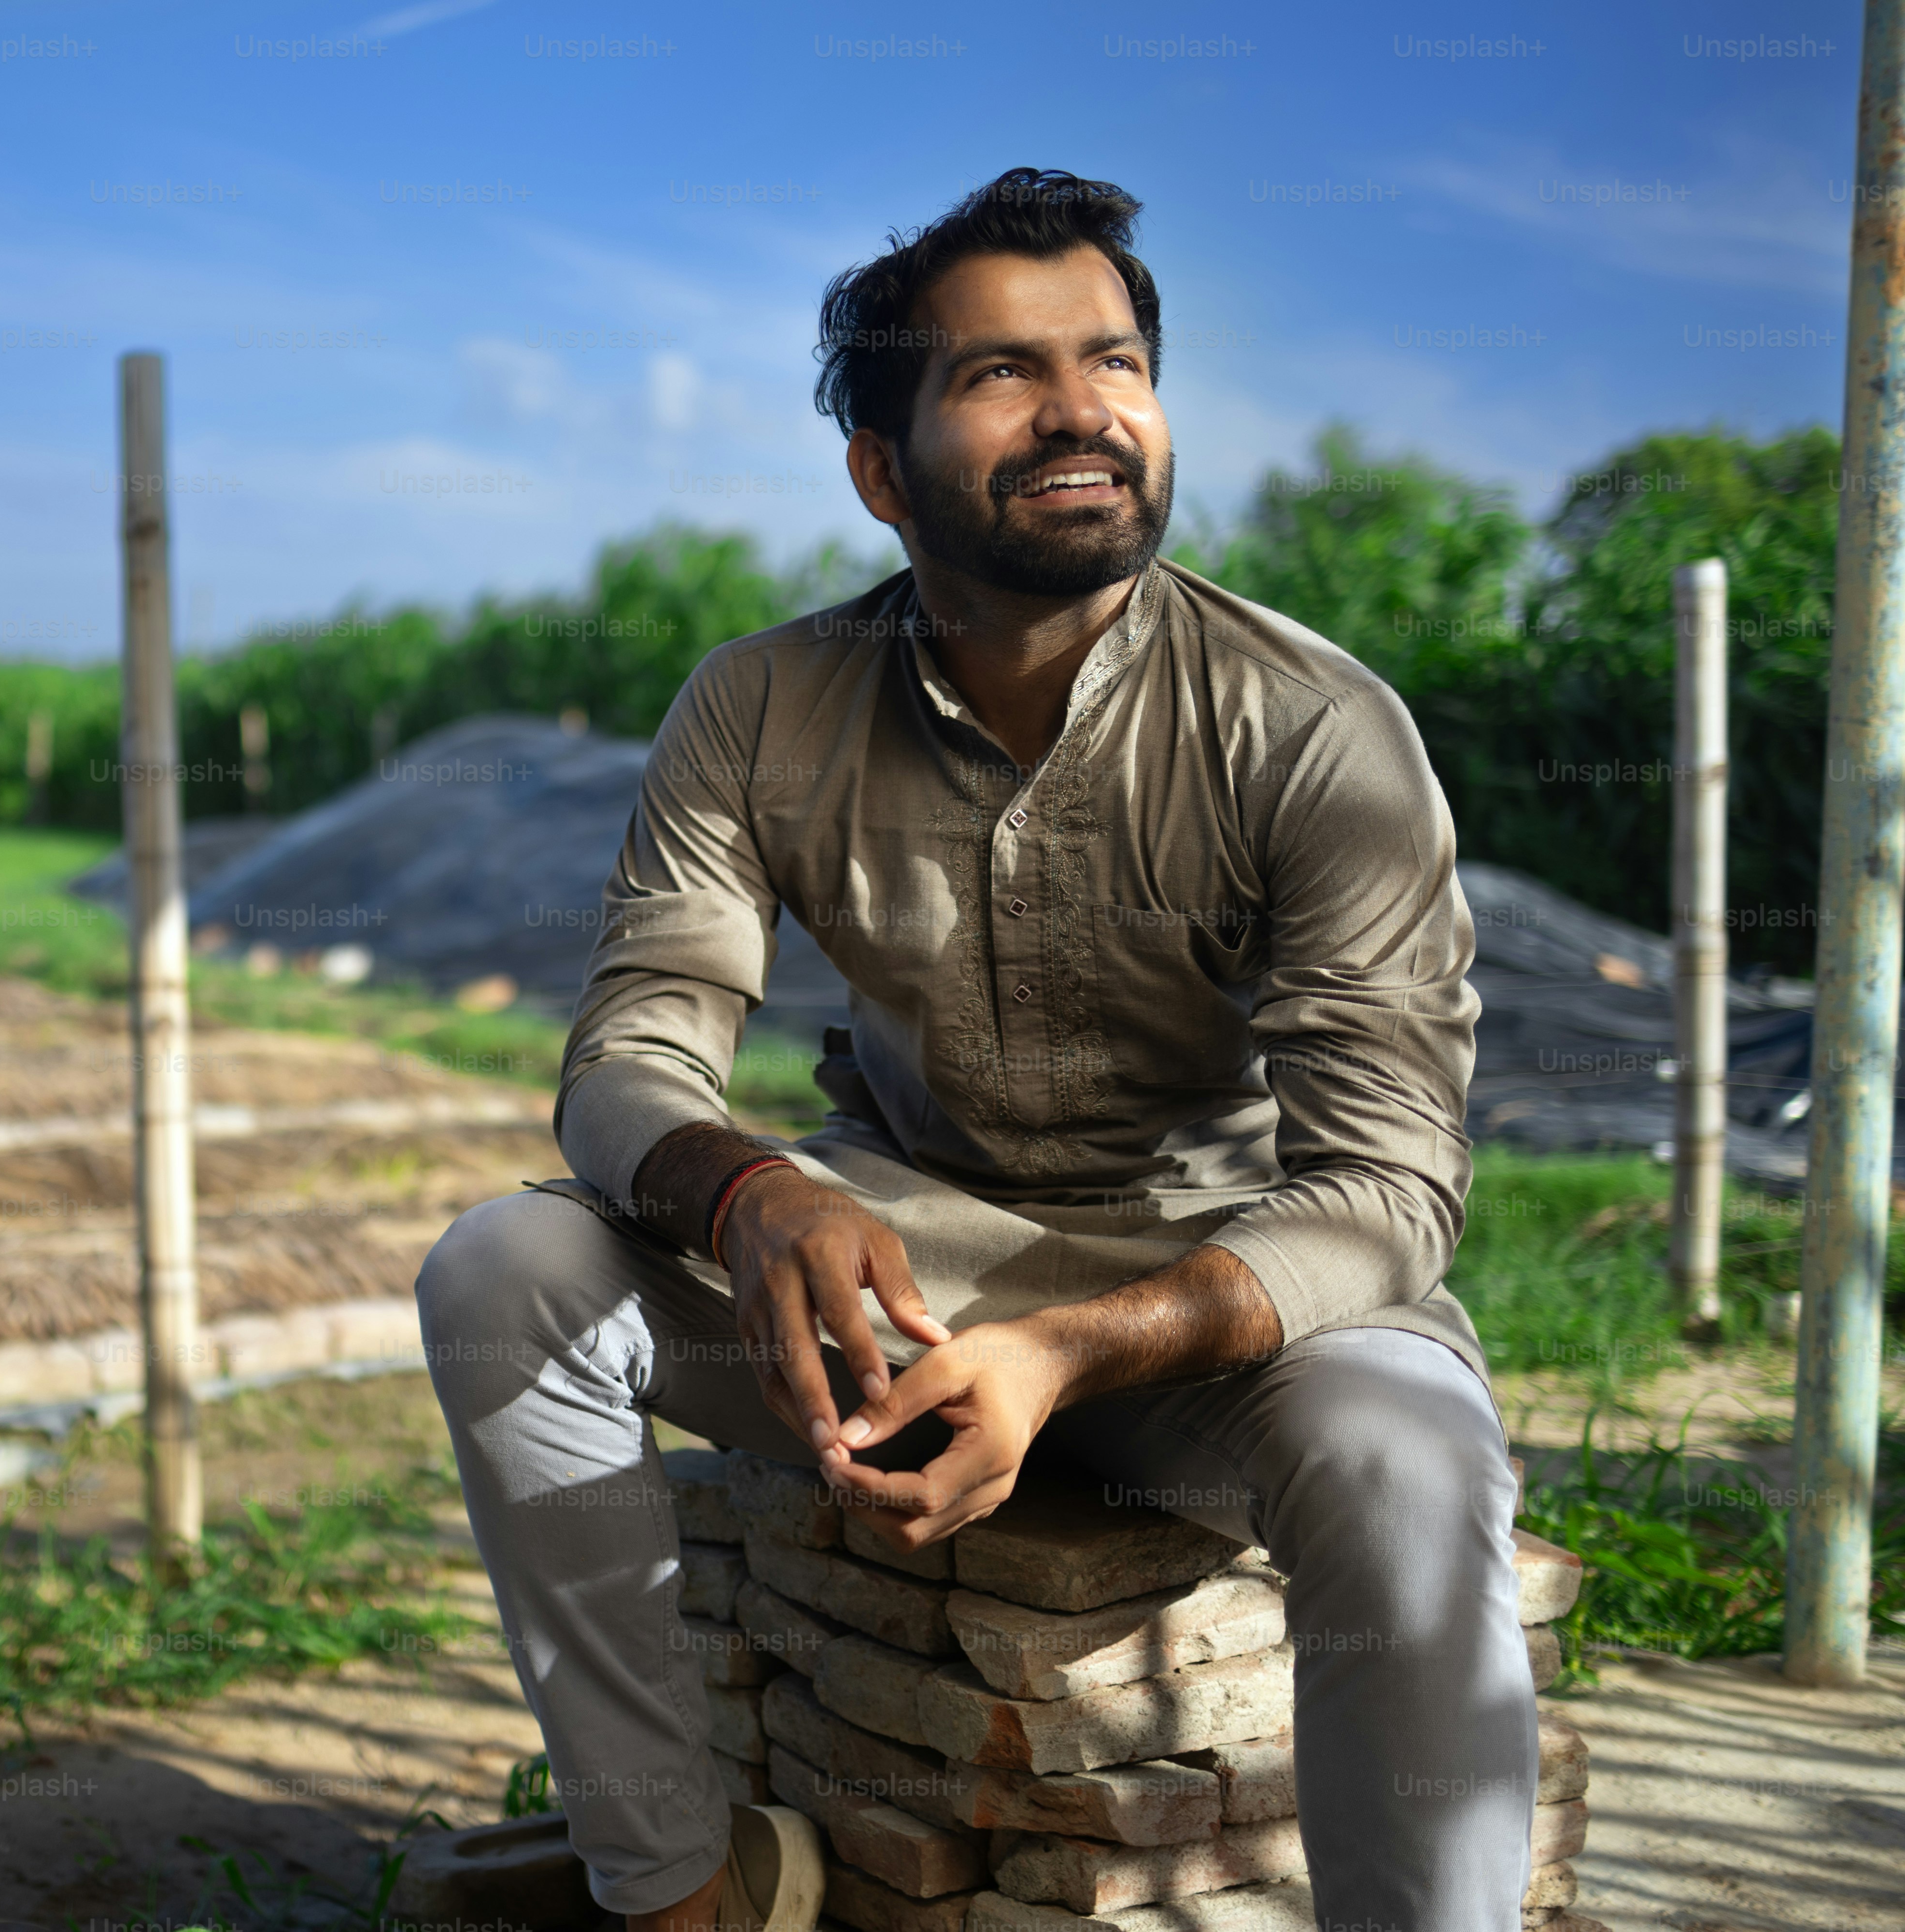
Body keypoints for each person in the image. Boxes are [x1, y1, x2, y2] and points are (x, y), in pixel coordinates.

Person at [415, 168, 1535, 1932]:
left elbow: (1391, 1190)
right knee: (509, 1265)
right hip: (906, 1286)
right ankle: (679, 1889)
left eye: (1116, 361)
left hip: (1210, 1308)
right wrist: (751, 1193)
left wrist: (1074, 1351)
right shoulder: (761, 705)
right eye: (1005, 374)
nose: (1085, 409)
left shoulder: (1314, 728)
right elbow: (631, 1051)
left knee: (1410, 1450)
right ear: (881, 466)